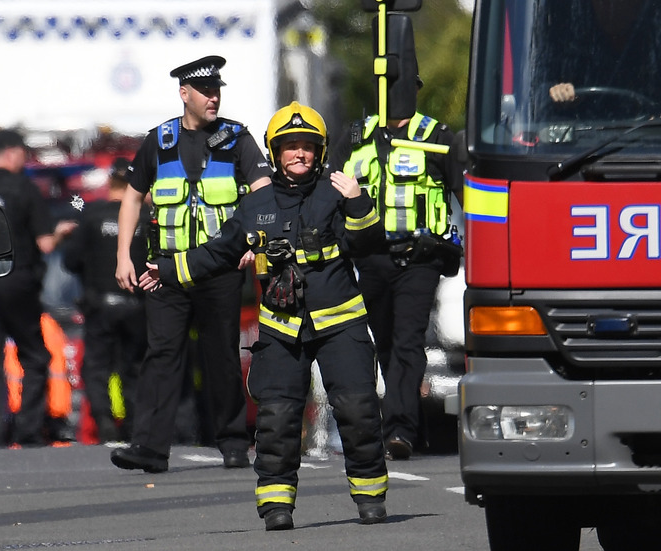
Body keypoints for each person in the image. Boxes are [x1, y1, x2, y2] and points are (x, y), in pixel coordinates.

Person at [138, 101, 390, 530]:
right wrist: (168, 269)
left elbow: (369, 245)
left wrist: (358, 200)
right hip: (281, 327)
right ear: (274, 153)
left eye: (307, 147)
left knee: (358, 409)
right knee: (276, 418)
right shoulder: (256, 205)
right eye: (289, 147)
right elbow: (218, 253)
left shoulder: (337, 189)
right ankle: (276, 506)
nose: (299, 154)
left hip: (340, 322)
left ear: (320, 151)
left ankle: (370, 497)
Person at [111, 55, 272, 472]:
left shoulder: (237, 138)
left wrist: (256, 239)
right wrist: (123, 255)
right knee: (162, 355)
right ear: (185, 94)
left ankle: (234, 442)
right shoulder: (159, 141)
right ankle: (149, 446)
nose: (213, 98)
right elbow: (132, 197)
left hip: (217, 270)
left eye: (217, 90)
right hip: (163, 270)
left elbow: (262, 190)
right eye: (205, 91)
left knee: (220, 356)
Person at [327, 76, 464, 461]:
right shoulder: (355, 137)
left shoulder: (437, 137)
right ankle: (406, 420)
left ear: (417, 90)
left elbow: (469, 194)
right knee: (385, 341)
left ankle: (400, 428)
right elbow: (329, 191)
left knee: (408, 340)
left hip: (420, 258)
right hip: (370, 258)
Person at [0, 128, 77, 447]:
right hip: (17, 280)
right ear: (11, 153)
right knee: (35, 355)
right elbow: (46, 244)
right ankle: (30, 430)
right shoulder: (23, 187)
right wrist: (62, 232)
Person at [62, 158, 148, 443]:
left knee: (97, 368)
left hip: (100, 305)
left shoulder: (91, 215)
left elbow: (70, 260)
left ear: (111, 182)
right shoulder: (146, 217)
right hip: (138, 305)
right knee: (133, 368)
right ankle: (134, 427)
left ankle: (104, 422)